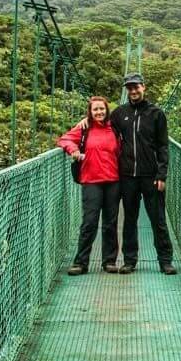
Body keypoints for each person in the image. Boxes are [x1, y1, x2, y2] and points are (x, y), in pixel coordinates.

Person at [109, 73, 176, 275]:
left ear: (143, 87)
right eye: (129, 88)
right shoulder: (119, 114)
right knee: (129, 219)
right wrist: (81, 126)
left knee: (158, 219)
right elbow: (102, 131)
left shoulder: (156, 114)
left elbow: (163, 146)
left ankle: (165, 261)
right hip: (128, 176)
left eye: (136, 87)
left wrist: (162, 175)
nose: (133, 91)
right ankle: (130, 261)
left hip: (151, 176)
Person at [58, 96, 122, 275]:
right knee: (89, 222)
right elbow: (64, 139)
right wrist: (75, 150)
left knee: (110, 223)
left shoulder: (115, 129)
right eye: (95, 110)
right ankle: (81, 263)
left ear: (107, 110)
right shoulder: (84, 129)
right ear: (90, 112)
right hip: (91, 181)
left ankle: (109, 261)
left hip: (113, 181)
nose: (99, 112)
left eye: (102, 109)